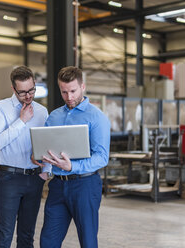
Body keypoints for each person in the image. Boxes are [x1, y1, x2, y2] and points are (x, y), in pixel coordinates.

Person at [38, 66, 111, 248]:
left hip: (85, 185)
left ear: (82, 86)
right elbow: (45, 147)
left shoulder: (97, 117)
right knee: (47, 241)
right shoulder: (54, 117)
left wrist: (73, 167)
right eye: (64, 92)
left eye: (73, 91)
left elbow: (102, 157)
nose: (69, 97)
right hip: (57, 186)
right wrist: (42, 161)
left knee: (87, 241)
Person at [0, 65, 50, 248]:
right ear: (13, 89)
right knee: (4, 234)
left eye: (31, 90)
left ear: (35, 84)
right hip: (9, 178)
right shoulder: (0, 108)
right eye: (22, 92)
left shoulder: (42, 111)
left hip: (34, 179)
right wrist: (21, 121)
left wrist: (45, 172)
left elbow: (47, 144)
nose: (28, 95)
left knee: (27, 235)